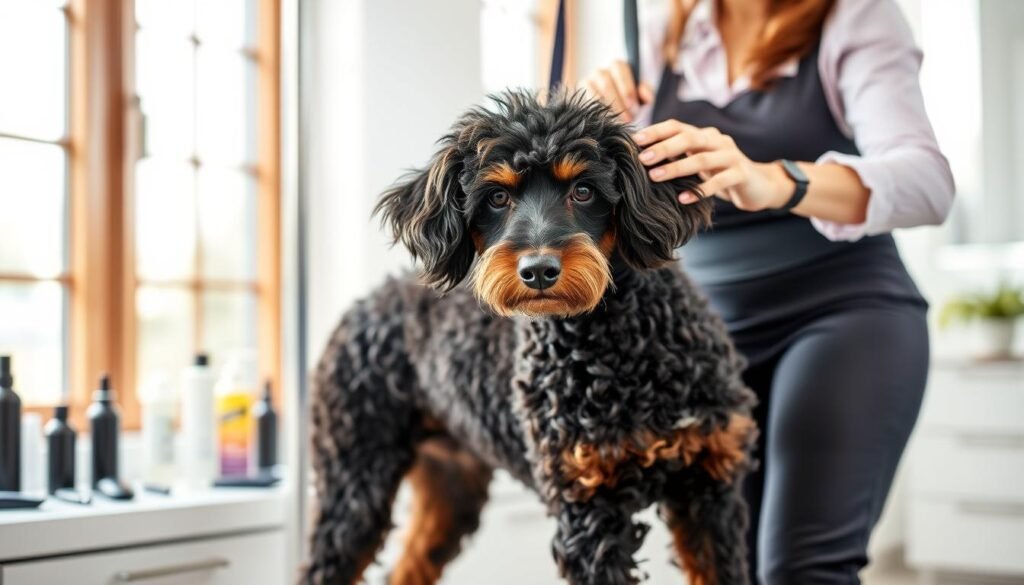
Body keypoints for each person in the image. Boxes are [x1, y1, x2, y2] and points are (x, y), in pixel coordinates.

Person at [581, 0, 954, 583]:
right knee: (724, 565)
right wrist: (595, 124)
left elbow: (927, 183)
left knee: (800, 568)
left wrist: (773, 180)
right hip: (705, 338)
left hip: (844, 311)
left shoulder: (855, 18)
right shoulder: (662, 34)